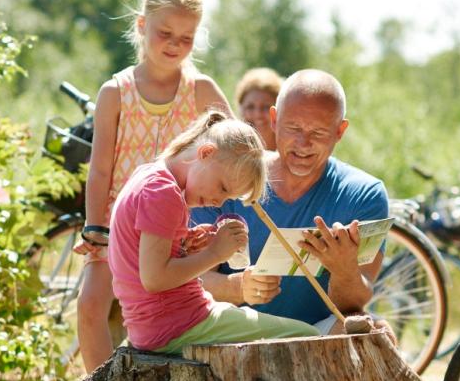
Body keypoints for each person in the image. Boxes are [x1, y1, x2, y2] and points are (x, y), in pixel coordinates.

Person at [70, 0, 230, 372]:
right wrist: (94, 228)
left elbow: (235, 146)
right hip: (117, 223)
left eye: (186, 37)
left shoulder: (201, 90)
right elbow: (101, 168)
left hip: (171, 227)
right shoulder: (116, 91)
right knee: (91, 305)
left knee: (163, 314)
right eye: (165, 33)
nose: (175, 44)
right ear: (142, 25)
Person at [110, 111, 355, 354]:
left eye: (228, 197)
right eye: (223, 187)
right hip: (176, 326)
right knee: (309, 338)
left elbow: (146, 260)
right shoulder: (164, 192)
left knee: (267, 323)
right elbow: (154, 279)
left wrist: (185, 246)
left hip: (163, 323)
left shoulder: (150, 177)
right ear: (206, 153)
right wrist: (215, 254)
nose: (219, 202)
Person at [192, 69, 389, 327]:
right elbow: (190, 281)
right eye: (293, 128)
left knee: (374, 331)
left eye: (318, 133)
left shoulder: (364, 194)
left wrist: (344, 270)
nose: (303, 143)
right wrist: (238, 287)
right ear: (274, 119)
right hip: (232, 332)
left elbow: (352, 307)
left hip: (316, 335)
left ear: (340, 131)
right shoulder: (228, 176)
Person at [233, 67, 282, 151]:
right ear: (241, 108)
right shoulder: (231, 151)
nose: (258, 114)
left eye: (266, 107)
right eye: (250, 107)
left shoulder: (292, 151)